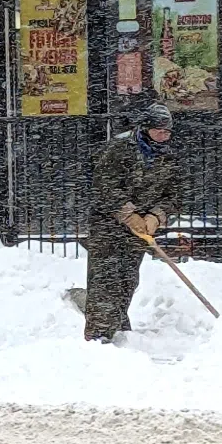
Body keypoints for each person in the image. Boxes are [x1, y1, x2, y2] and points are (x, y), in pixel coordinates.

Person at [84, 103, 181, 343]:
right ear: (145, 128)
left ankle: (117, 324)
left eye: (167, 132)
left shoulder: (169, 156)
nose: (163, 136)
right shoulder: (119, 148)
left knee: (127, 278)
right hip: (107, 224)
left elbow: (175, 194)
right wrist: (128, 214)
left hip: (139, 229)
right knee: (106, 277)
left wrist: (156, 216)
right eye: (158, 131)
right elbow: (104, 186)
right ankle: (98, 335)